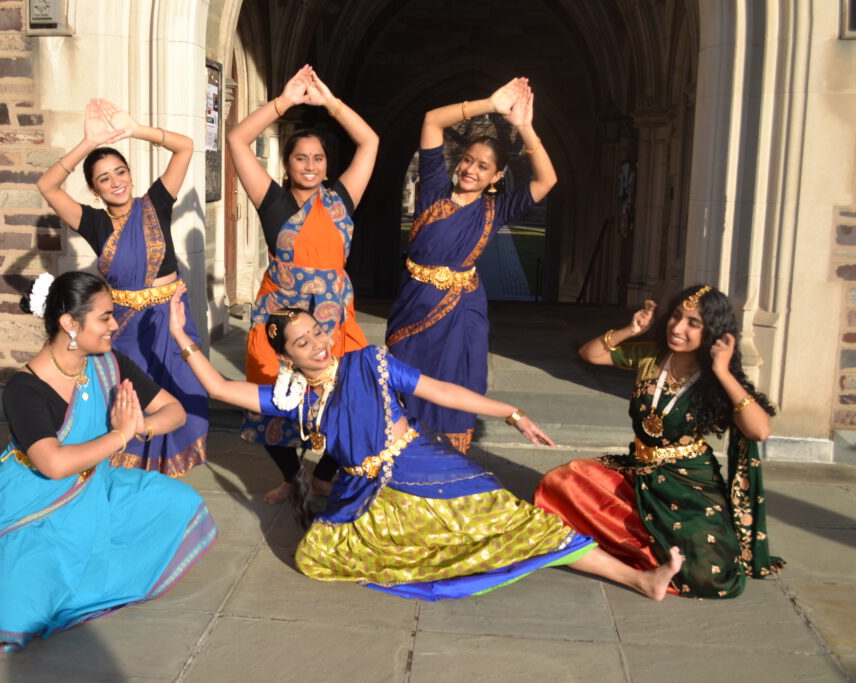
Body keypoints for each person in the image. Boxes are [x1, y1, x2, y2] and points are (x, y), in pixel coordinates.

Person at [167, 286, 683, 601]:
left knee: (520, 522)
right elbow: (215, 387)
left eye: (318, 332)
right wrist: (181, 335)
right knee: (315, 556)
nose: (319, 345)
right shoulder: (294, 399)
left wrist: (511, 411)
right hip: (365, 493)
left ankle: (639, 579)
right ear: (288, 358)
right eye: (302, 343)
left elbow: (439, 390)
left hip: (423, 466)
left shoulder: (370, 362)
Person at [0, 272, 216, 653]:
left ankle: (96, 571)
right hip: (37, 501)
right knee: (17, 618)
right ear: (70, 323)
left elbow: (174, 411)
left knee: (178, 504)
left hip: (96, 486)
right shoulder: (24, 389)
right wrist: (119, 436)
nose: (114, 325)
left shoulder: (108, 364)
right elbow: (53, 465)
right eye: (104, 317)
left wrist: (140, 426)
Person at [534, 285, 784, 598]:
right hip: (638, 468)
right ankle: (643, 562)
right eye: (676, 316)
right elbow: (591, 354)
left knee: (710, 575)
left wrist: (722, 370)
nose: (678, 328)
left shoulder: (713, 377)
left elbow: (759, 431)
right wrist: (630, 329)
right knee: (562, 482)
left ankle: (647, 560)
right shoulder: (652, 356)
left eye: (693, 323)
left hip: (689, 482)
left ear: (712, 332)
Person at [228, 65, 379, 503]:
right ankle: (292, 477)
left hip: (333, 321)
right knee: (272, 400)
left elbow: (370, 142)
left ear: (327, 164)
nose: (310, 166)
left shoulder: (343, 199)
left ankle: (324, 476)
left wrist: (329, 103)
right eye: (300, 158)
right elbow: (237, 139)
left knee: (350, 399)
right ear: (286, 164)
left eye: (318, 158)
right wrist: (284, 101)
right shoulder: (271, 200)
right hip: (279, 322)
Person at [35, 98, 207, 477]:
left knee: (178, 393)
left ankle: (163, 474)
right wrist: (87, 141)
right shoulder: (94, 223)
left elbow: (185, 146)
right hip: (125, 326)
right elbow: (47, 185)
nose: (116, 182)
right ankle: (126, 470)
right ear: (94, 189)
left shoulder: (155, 203)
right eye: (104, 178)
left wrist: (135, 130)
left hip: (170, 320)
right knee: (130, 395)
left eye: (121, 172)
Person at [386, 78, 557, 453]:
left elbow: (547, 180)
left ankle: (447, 461)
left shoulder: (494, 210)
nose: (471, 170)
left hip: (462, 312)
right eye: (467, 160)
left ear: (496, 177)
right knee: (403, 378)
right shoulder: (432, 191)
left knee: (457, 382)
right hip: (415, 303)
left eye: (483, 167)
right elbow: (432, 121)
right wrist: (491, 103)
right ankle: (400, 457)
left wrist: (524, 126)